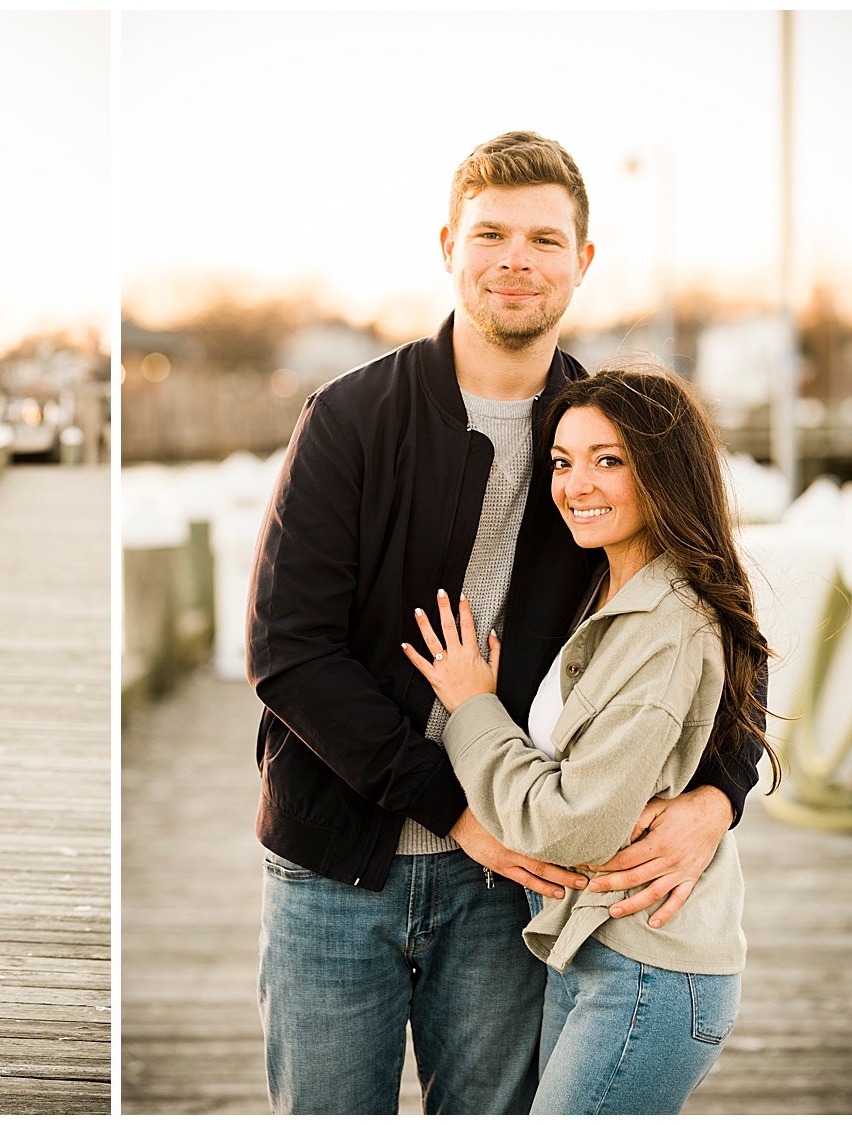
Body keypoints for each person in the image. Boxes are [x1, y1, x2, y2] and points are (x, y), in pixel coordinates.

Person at [245, 132, 763, 1114]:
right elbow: (289, 652)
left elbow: (719, 623)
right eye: (490, 234)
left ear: (584, 262)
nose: (514, 259)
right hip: (334, 868)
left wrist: (718, 797)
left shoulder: (610, 435)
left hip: (516, 888)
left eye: (543, 238)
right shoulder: (352, 417)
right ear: (449, 245)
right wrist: (457, 811)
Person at [404, 363, 776, 1112]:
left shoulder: (667, 624)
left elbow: (573, 824)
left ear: (664, 472)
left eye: (609, 460)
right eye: (563, 462)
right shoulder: (602, 586)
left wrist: (474, 708)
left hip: (651, 969)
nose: (577, 485)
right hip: (589, 946)